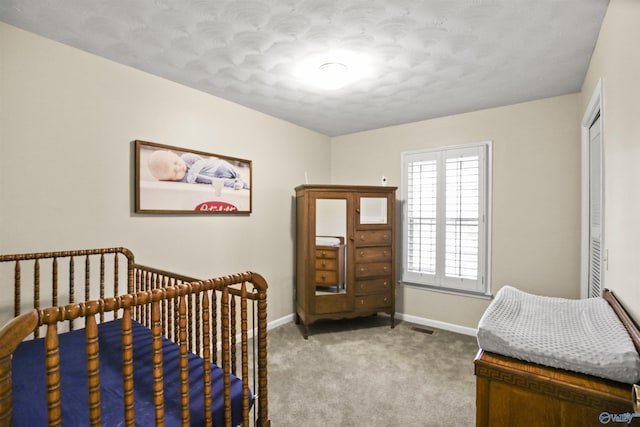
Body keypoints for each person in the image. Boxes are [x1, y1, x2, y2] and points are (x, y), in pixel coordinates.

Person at [147, 150, 249, 190]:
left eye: (175, 163)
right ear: (170, 179)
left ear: (175, 155)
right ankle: (239, 183)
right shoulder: (180, 180)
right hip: (216, 179)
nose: (178, 168)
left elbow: (201, 162)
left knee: (226, 171)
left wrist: (192, 173)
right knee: (224, 183)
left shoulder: (187, 158)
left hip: (218, 168)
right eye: (174, 173)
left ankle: (240, 179)